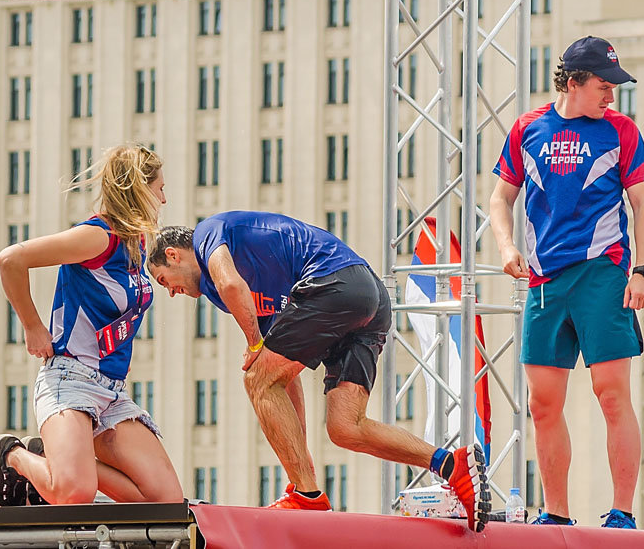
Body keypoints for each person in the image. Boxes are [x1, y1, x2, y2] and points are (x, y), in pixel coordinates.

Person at [148, 211, 491, 530]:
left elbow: (233, 288)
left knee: (256, 377)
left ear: (174, 255)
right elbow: (282, 375)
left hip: (334, 284)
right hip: (367, 300)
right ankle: (452, 465)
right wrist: (302, 462)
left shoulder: (208, 236)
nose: (172, 293)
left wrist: (255, 347)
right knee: (345, 428)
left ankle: (307, 496)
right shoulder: (223, 291)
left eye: (164, 281)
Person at [488, 36, 644, 530]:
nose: (611, 97)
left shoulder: (621, 131)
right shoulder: (527, 129)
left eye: (614, 88)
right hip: (544, 280)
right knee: (542, 403)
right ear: (574, 82)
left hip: (602, 272)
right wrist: (505, 247)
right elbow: (501, 198)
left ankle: (622, 511)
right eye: (604, 86)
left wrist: (642, 270)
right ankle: (555, 513)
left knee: (610, 392)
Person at [0, 144, 182, 506]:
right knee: (75, 492)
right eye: (160, 189)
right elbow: (10, 260)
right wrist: (33, 327)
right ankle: (13, 456)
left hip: (111, 392)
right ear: (140, 190)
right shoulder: (98, 236)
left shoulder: (136, 244)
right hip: (70, 380)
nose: (164, 199)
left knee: (166, 503)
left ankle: (60, 462)